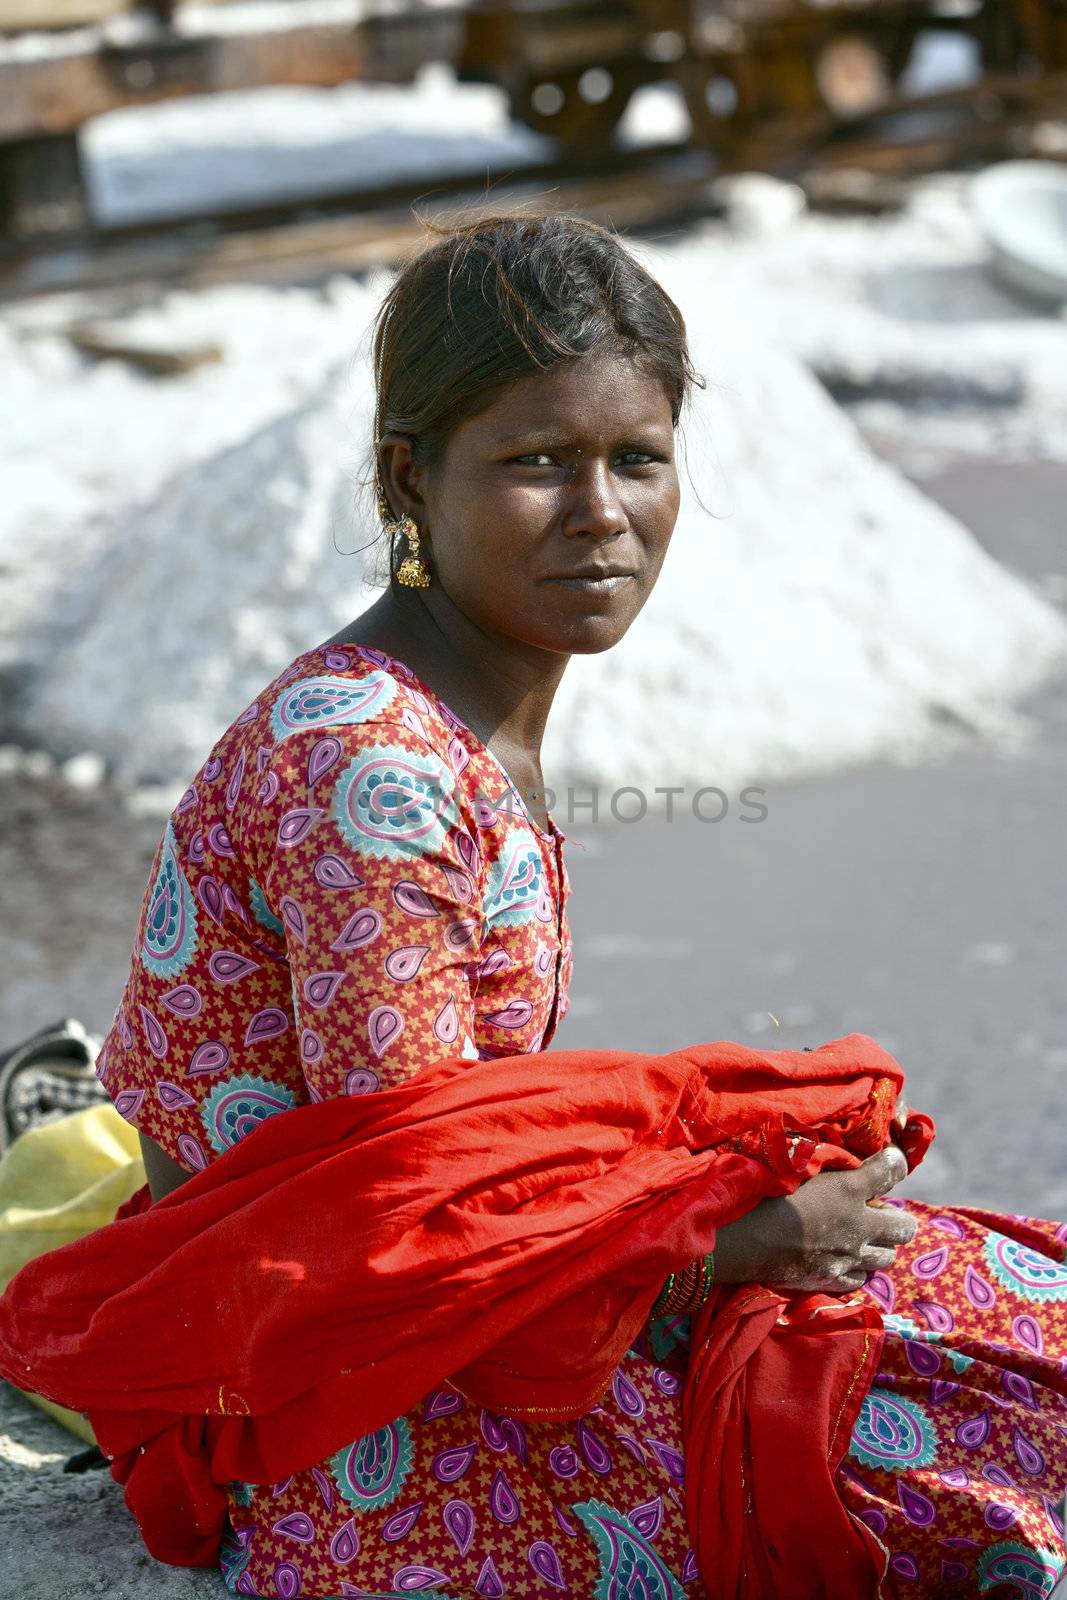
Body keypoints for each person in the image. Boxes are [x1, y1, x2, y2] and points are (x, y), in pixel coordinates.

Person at [88, 214, 1066, 1598]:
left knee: (1014, 1315)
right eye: (537, 462)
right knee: (952, 1460)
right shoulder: (369, 771)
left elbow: (470, 1150)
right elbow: (411, 1231)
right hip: (338, 1408)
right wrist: (733, 1249)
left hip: (447, 1318)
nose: (601, 512)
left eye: (637, 459)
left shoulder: (461, 704)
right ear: (410, 477)